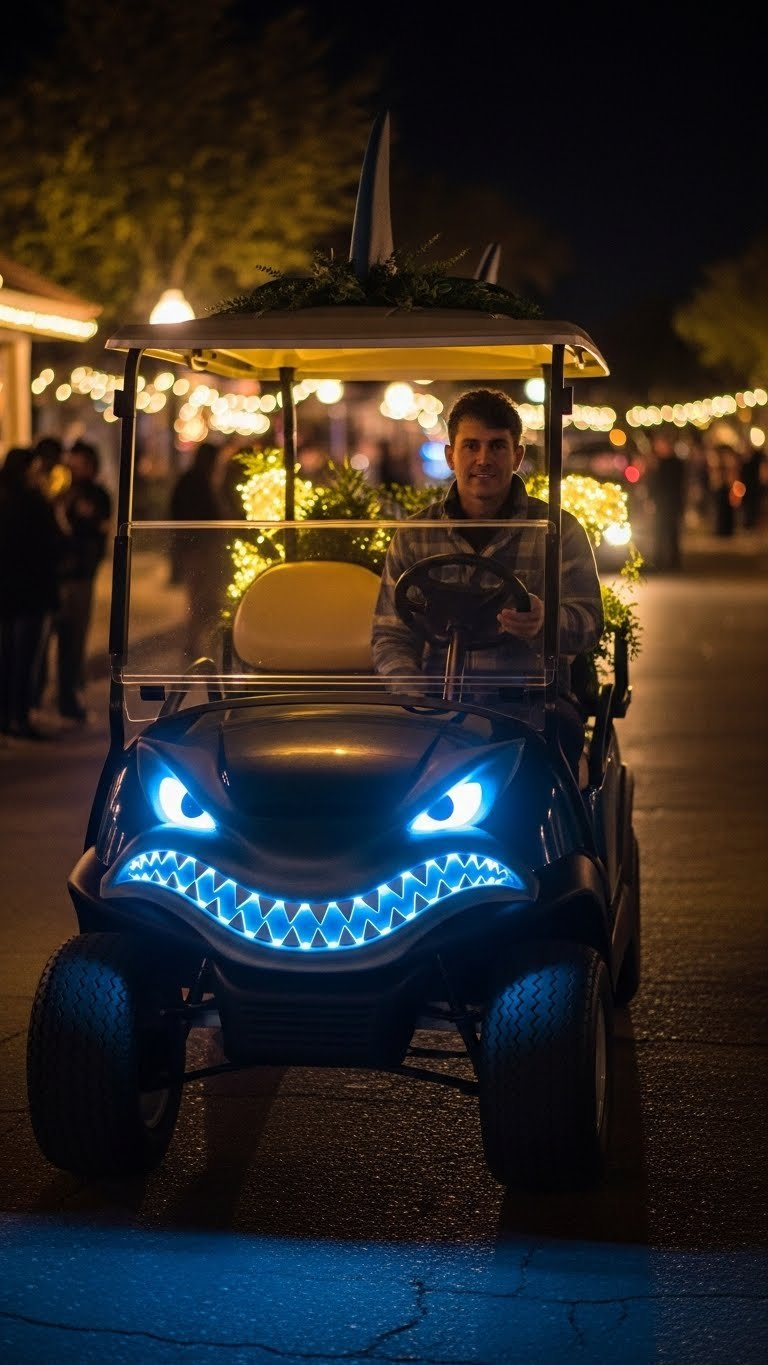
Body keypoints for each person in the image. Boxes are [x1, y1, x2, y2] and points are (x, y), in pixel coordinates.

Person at [371, 388, 604, 779]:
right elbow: (389, 634)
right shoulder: (414, 534)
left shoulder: (557, 532)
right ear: (450, 455)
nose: (483, 459)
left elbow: (589, 623)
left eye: (497, 446)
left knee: (544, 768)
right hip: (439, 705)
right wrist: (414, 695)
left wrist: (544, 622)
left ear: (517, 456)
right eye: (471, 446)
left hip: (528, 703)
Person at [0, 447, 66, 740]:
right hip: (33, 590)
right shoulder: (34, 501)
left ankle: (6, 716)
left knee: (7, 656)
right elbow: (55, 541)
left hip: (7, 591)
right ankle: (22, 715)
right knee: (27, 658)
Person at [52, 438, 113, 721]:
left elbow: (100, 528)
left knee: (74, 639)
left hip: (81, 575)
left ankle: (70, 696)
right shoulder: (62, 491)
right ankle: (61, 696)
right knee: (63, 638)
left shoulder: (96, 494)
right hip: (58, 575)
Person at [168, 440, 231, 657]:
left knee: (202, 596)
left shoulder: (197, 481)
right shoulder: (197, 483)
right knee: (202, 596)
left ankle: (198, 641)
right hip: (200, 550)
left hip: (198, 549)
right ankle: (196, 642)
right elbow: (194, 517)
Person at [645, 434, 687, 571]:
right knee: (659, 531)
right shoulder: (657, 462)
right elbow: (652, 483)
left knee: (672, 532)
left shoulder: (675, 463)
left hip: (671, 502)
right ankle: (659, 560)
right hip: (660, 503)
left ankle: (673, 561)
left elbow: (679, 484)